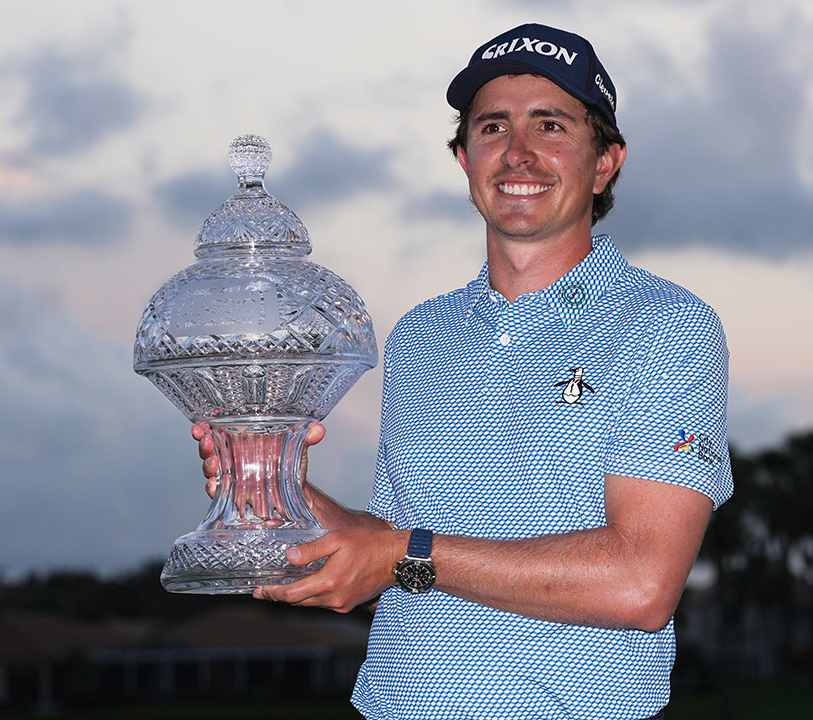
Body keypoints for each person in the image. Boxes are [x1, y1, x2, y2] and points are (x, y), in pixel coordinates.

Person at [195, 23, 731, 720]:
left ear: (605, 164)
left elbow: (639, 582)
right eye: (492, 127)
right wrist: (282, 487)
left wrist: (398, 554)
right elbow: (389, 538)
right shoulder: (421, 335)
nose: (519, 153)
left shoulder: (667, 325)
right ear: (464, 158)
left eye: (551, 126)